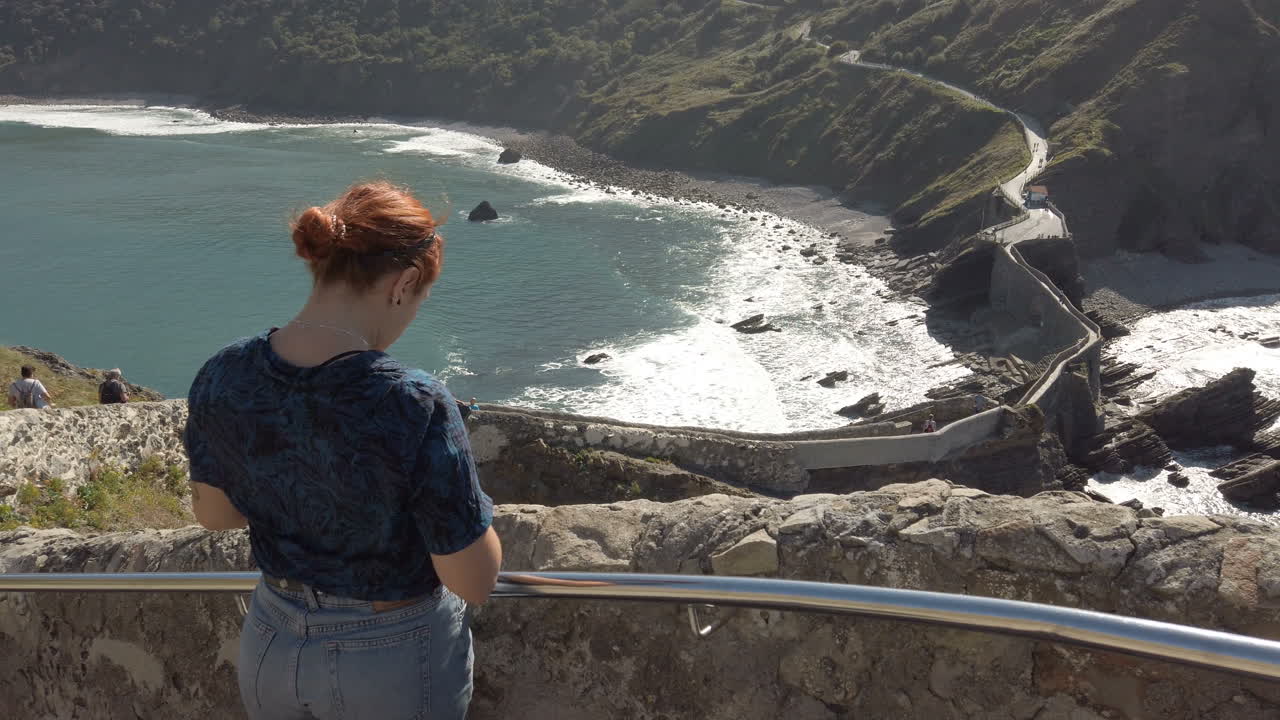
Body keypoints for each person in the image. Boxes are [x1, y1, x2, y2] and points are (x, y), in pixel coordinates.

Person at [183, 181, 501, 720]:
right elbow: (472, 578)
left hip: (270, 639)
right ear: (403, 284)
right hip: (390, 656)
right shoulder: (411, 398)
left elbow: (215, 516)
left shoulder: (224, 371)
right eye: (419, 299)